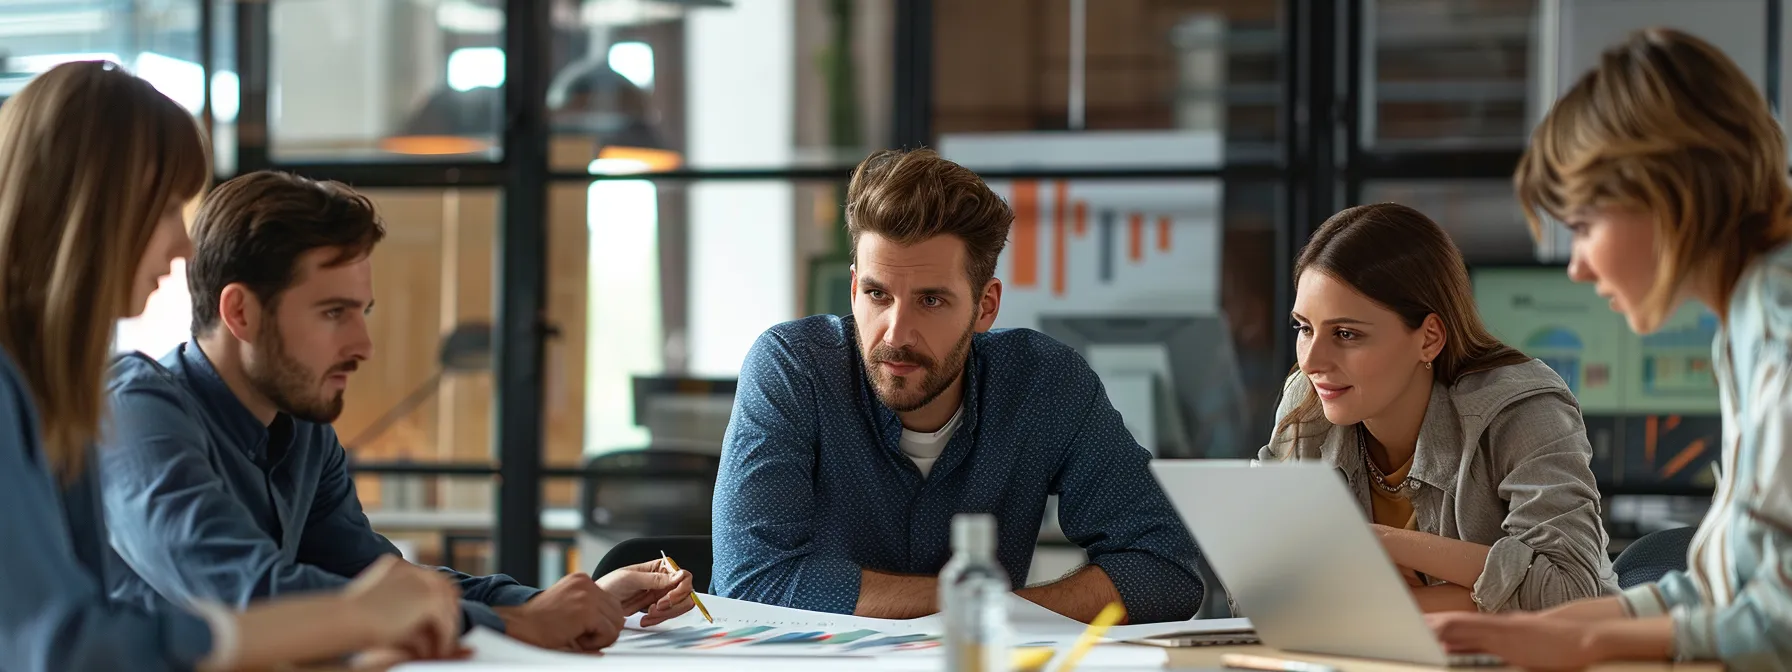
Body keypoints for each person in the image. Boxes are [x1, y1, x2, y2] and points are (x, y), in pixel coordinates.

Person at [97, 170, 696, 653]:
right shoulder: (136, 412)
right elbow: (248, 594)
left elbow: (378, 580)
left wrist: (566, 602)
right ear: (241, 313)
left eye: (364, 312)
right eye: (334, 313)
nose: (363, 345)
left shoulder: (302, 428)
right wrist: (518, 625)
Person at [0, 60, 466, 671]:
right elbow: (65, 646)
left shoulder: (55, 394)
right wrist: (349, 620)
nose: (184, 245)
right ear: (90, 209)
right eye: (166, 206)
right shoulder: (105, 401)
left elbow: (105, 633)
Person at [710, 148, 1205, 624]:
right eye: (878, 295)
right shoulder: (793, 369)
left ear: (985, 306)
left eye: (930, 301)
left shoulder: (1044, 385)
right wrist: (980, 605)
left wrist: (1003, 616)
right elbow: (752, 583)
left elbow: (1166, 568)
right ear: (855, 288)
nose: (896, 334)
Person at [1430, 28, 1792, 670]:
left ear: (1664, 192)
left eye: (1583, 227)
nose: (1577, 268)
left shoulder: (1780, 324)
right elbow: (1727, 590)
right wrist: (1557, 625)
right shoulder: (1747, 321)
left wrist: (1591, 642)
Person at [1263, 203, 1618, 614]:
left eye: (1345, 333)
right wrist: (1459, 598)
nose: (1311, 361)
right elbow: (1263, 585)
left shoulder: (1522, 410)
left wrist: (1370, 542)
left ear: (1429, 338)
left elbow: (1569, 592)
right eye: (1304, 328)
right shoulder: (1308, 403)